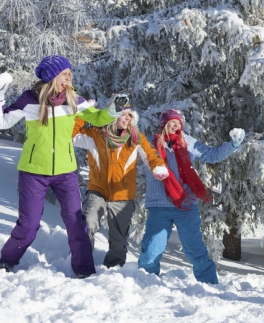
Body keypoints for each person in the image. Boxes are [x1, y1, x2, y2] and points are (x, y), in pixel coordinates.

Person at [0, 55, 122, 278]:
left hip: (65, 172)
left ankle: (84, 270)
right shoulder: (29, 100)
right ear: (52, 77)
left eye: (69, 75)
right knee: (29, 225)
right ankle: (6, 260)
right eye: (64, 74)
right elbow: (3, 121)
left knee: (76, 222)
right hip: (33, 172)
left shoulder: (73, 99)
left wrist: (114, 110)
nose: (68, 79)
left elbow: (99, 118)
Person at [137, 108, 245, 284]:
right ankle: (145, 283)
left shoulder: (187, 142)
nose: (176, 125)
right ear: (164, 124)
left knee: (194, 248)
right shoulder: (149, 143)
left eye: (179, 123)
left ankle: (209, 283)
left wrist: (232, 145)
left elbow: (211, 155)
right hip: (159, 203)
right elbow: (128, 149)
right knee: (152, 248)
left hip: (185, 204)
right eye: (172, 122)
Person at [72, 100, 168, 268]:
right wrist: (84, 113)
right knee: (89, 222)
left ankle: (114, 270)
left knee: (118, 238)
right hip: (98, 190)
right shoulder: (95, 134)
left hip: (123, 195)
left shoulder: (135, 138)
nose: (127, 118)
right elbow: (72, 136)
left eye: (129, 115)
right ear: (112, 114)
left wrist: (158, 166)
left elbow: (150, 154)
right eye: (123, 114)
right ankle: (81, 262)